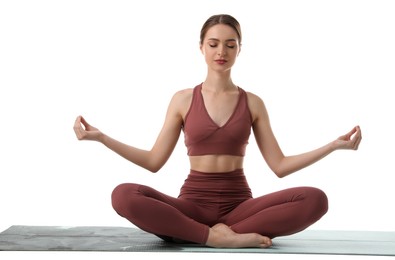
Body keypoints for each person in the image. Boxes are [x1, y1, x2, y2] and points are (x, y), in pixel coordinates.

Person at [73, 14, 362, 248]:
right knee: (123, 194)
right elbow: (153, 161)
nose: (221, 51)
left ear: (239, 49)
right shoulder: (183, 99)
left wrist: (332, 146)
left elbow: (280, 165)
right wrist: (102, 138)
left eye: (230, 44)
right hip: (192, 206)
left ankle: (196, 234)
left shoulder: (253, 103)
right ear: (201, 47)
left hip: (240, 209)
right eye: (213, 44)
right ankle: (214, 237)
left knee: (315, 199)